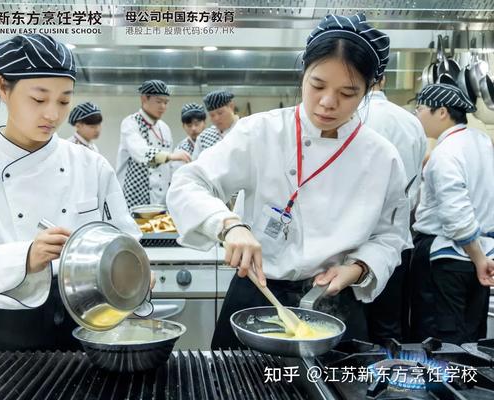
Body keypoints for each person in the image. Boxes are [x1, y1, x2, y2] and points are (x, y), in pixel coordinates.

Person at [167, 13, 411, 349]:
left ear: (369, 90)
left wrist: (357, 269)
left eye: (348, 92)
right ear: (303, 74)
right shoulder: (261, 132)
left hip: (334, 302)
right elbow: (187, 182)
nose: (328, 102)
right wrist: (229, 226)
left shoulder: (381, 156)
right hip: (256, 291)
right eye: (318, 85)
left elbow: (390, 236)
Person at [0, 34, 143, 351]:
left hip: (90, 326)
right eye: (39, 100)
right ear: (3, 87)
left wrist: (134, 272)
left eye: (64, 101)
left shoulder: (91, 165)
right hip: (7, 333)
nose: (53, 114)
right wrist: (24, 257)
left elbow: (125, 236)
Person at [411, 83, 494, 344]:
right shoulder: (480, 141)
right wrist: (480, 256)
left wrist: (477, 257)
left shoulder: (446, 153)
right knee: (471, 338)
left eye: (421, 108)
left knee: (439, 340)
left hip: (448, 258)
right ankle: (468, 383)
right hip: (480, 252)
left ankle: (443, 385)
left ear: (442, 112)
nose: (417, 115)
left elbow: (456, 213)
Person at [358, 75, 427, 343]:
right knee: (388, 327)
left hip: (351, 247)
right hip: (395, 242)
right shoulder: (412, 122)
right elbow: (415, 188)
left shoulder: (351, 118)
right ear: (384, 79)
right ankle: (387, 382)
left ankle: (347, 383)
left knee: (352, 329)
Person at [116, 80, 191, 208]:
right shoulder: (131, 123)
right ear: (144, 98)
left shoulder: (164, 128)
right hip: (134, 196)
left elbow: (168, 168)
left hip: (160, 198)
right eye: (159, 101)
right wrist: (173, 156)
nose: (163, 107)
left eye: (166, 102)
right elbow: (141, 153)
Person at [192, 90, 239, 159]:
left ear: (231, 106)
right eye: (212, 115)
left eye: (220, 113)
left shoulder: (245, 130)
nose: (216, 118)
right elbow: (196, 165)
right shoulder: (204, 138)